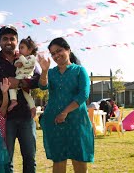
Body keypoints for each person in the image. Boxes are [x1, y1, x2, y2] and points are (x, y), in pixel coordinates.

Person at [0, 21, 39, 172]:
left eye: (12, 38)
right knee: (6, 159)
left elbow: (38, 79)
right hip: (3, 117)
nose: (9, 41)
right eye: (5, 38)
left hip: (25, 115)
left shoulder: (26, 58)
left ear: (17, 42)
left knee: (30, 158)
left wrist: (19, 82)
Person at [38, 37, 94, 173]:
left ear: (68, 50)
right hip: (55, 121)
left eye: (59, 51)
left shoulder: (80, 71)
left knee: (79, 160)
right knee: (58, 159)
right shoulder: (51, 73)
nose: (56, 55)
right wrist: (44, 70)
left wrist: (65, 112)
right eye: (53, 54)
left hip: (77, 121)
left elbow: (83, 95)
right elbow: (42, 86)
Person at [8, 36, 38, 117]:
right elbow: (16, 63)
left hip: (26, 78)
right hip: (19, 77)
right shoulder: (22, 58)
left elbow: (27, 64)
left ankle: (32, 107)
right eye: (19, 48)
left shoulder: (32, 58)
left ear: (30, 50)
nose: (20, 50)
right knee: (15, 89)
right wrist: (17, 63)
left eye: (22, 48)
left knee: (26, 94)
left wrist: (21, 58)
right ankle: (14, 101)